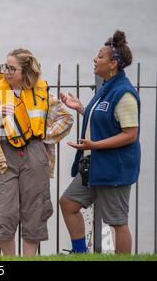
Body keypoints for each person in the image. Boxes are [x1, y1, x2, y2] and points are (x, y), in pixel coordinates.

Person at [0, 48, 73, 256]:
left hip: (35, 154)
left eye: (12, 68)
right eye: (5, 67)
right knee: (2, 212)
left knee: (35, 210)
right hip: (4, 155)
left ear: (25, 71)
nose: (7, 72)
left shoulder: (43, 93)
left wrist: (43, 136)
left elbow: (67, 119)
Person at [59, 30, 140, 254]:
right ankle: (80, 254)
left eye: (100, 56)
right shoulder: (106, 88)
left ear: (113, 63)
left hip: (115, 168)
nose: (95, 59)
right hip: (95, 166)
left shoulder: (124, 94)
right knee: (68, 203)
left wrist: (94, 146)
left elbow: (130, 134)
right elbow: (105, 120)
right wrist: (81, 108)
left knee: (117, 222)